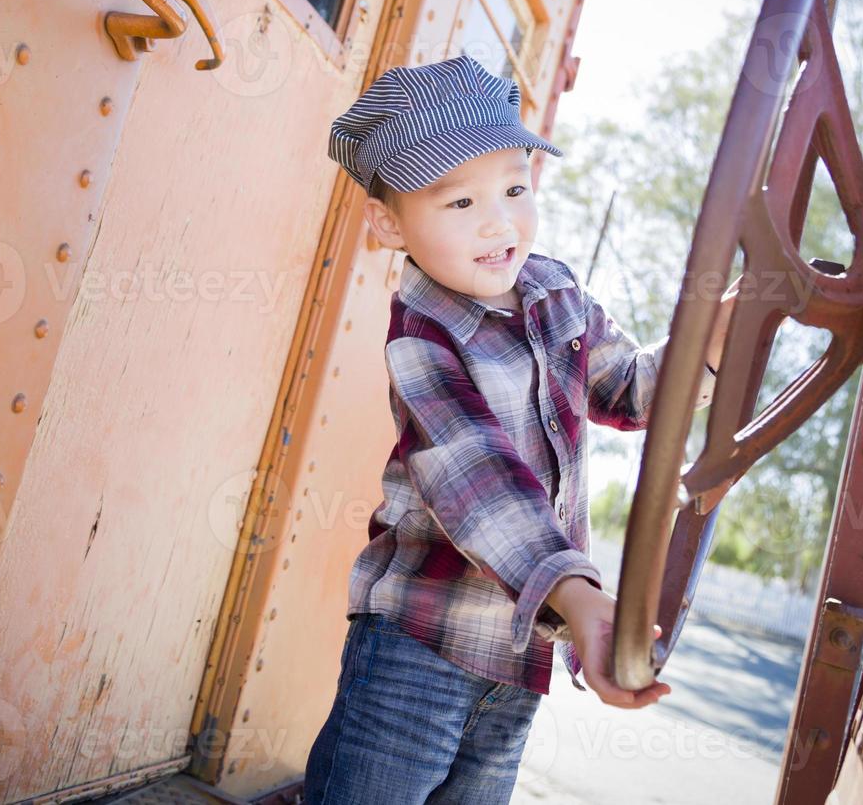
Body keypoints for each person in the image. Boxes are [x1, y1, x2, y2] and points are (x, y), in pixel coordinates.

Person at [302, 54, 733, 804]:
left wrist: (715, 339)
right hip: (417, 648)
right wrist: (578, 594)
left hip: (520, 657)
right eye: (458, 203)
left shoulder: (557, 293)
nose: (500, 219)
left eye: (514, 187)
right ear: (387, 222)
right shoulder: (424, 333)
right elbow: (476, 483)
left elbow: (630, 391)